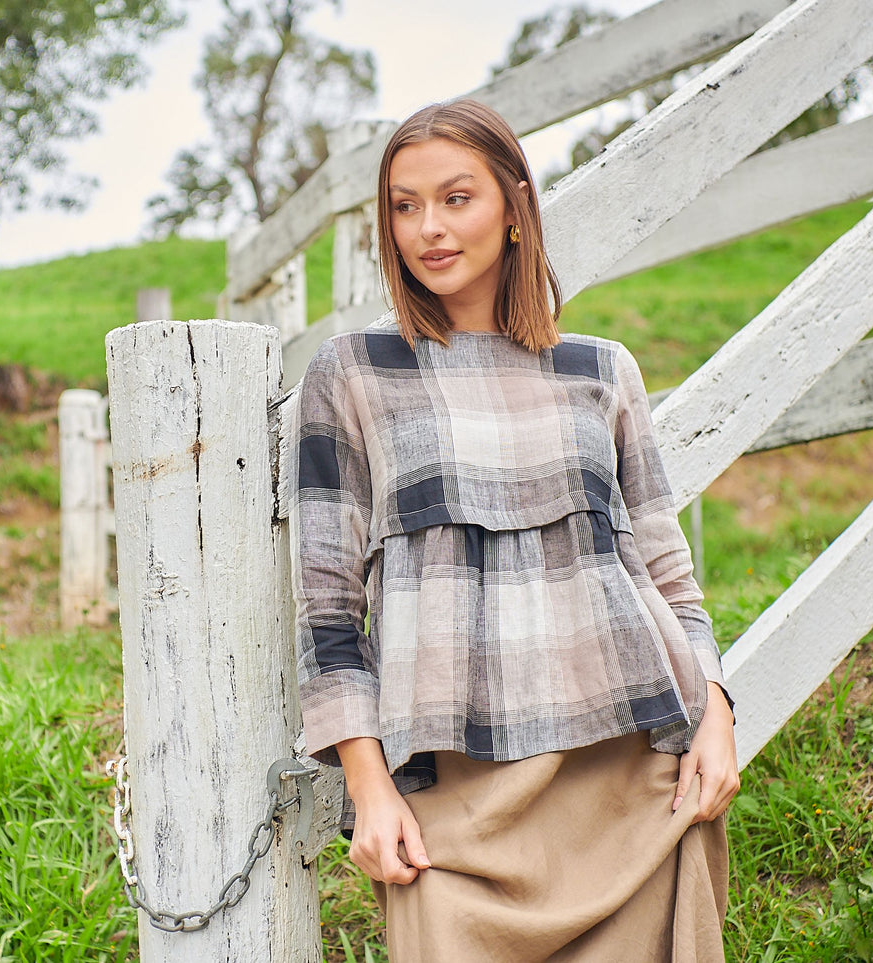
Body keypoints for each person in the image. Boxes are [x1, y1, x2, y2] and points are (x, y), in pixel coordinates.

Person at [289, 97, 739, 962]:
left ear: (515, 210)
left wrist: (714, 712)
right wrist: (368, 786)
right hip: (453, 808)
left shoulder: (601, 369)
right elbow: (327, 613)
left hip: (634, 778)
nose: (428, 228)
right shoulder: (351, 374)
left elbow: (668, 573)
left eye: (456, 198)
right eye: (404, 205)